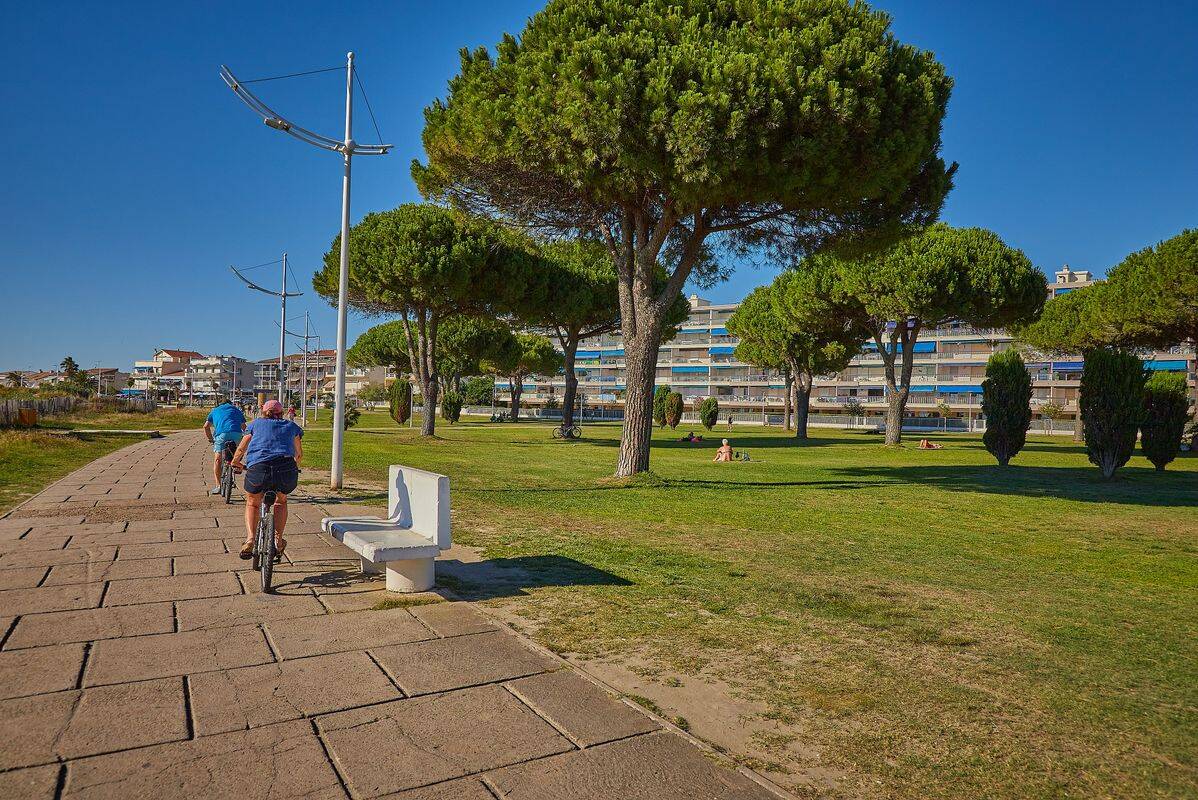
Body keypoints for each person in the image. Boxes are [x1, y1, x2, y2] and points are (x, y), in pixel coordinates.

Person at [230, 400, 303, 560]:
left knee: (252, 503)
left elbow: (242, 447)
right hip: (285, 469)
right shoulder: (292, 426)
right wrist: (295, 466)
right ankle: (278, 539)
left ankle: (250, 540)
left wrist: (236, 462)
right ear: (282, 412)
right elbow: (298, 453)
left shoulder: (255, 424)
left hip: (259, 468)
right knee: (281, 501)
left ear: (263, 412)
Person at [203, 397, 246, 495]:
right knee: (238, 451)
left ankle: (218, 486)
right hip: (236, 434)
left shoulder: (215, 410)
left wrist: (210, 439)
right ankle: (236, 465)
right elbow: (244, 427)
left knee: (218, 459)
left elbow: (206, 427)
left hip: (221, 435)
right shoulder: (237, 410)